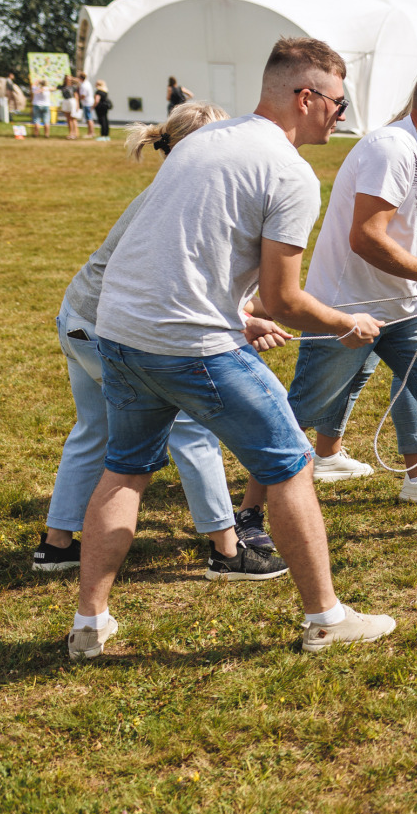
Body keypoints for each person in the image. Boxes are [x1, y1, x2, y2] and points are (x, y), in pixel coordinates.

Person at [73, 36, 396, 660]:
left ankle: (90, 626)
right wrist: (344, 323)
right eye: (336, 101)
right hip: (189, 345)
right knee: (292, 464)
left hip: (118, 331)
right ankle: (326, 618)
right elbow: (281, 301)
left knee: (125, 468)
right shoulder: (290, 172)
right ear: (305, 97)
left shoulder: (199, 140)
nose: (342, 115)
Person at [255, 58, 417, 545]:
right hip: (346, 309)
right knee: (297, 416)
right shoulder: (389, 149)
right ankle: (251, 515)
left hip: (410, 309)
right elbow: (366, 237)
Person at [35, 102, 286, 579]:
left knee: (93, 432)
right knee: (192, 428)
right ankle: (228, 551)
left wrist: (244, 317)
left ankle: (56, 545)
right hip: (114, 328)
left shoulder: (171, 187)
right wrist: (244, 320)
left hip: (78, 316)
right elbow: (176, 287)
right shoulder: (186, 196)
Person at [79, 73, 96, 137]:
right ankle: (91, 132)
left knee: (89, 118)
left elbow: (83, 95)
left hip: (87, 103)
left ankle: (90, 133)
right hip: (89, 102)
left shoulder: (84, 85)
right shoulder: (87, 83)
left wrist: (77, 98)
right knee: (89, 118)